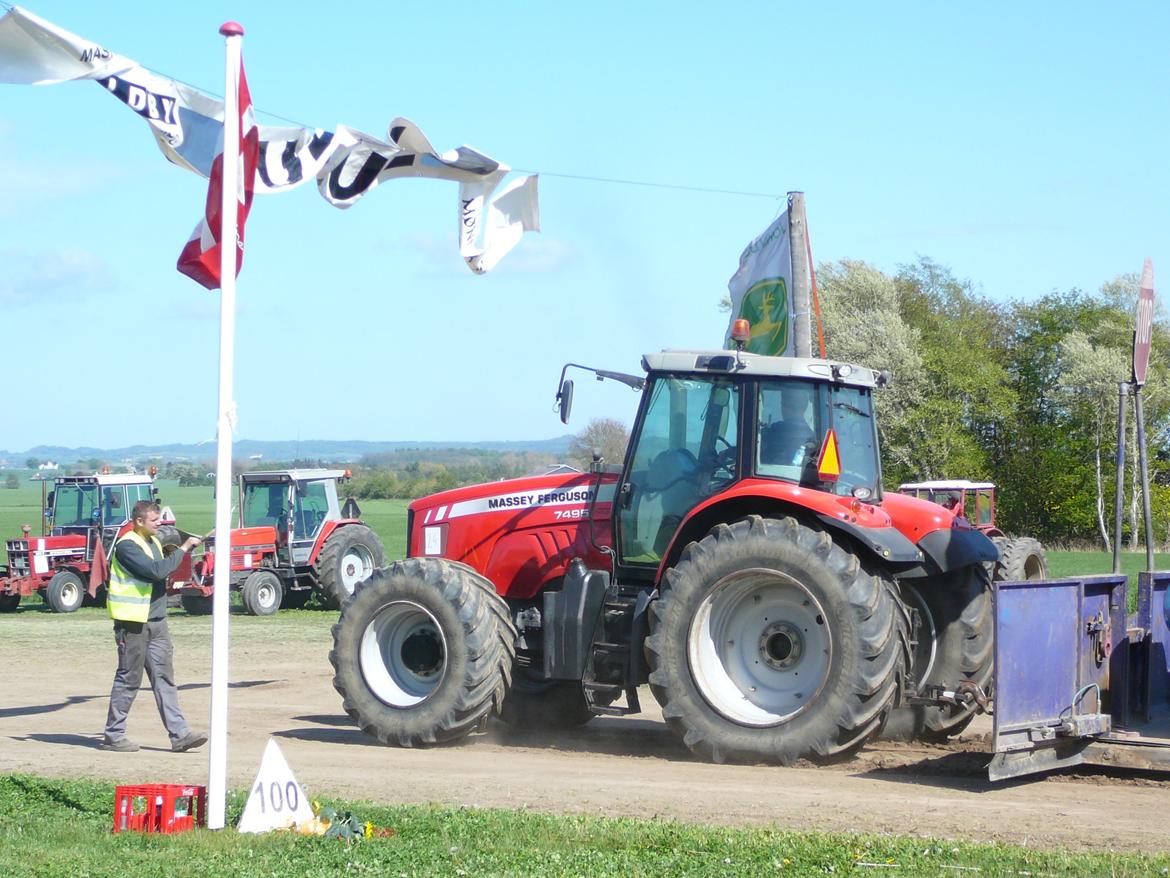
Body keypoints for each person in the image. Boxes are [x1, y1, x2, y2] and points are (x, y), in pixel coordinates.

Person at [101, 500, 207, 753]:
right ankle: (114, 735)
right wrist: (183, 549)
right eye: (154, 520)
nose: (160, 523)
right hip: (133, 623)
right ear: (139, 521)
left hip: (157, 622)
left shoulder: (153, 542)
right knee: (129, 678)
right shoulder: (127, 546)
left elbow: (162, 569)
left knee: (164, 679)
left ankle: (180, 735)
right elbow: (156, 571)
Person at [760, 384, 816, 468]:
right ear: (804, 406)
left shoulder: (774, 431)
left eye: (783, 403)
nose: (783, 408)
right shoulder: (812, 437)